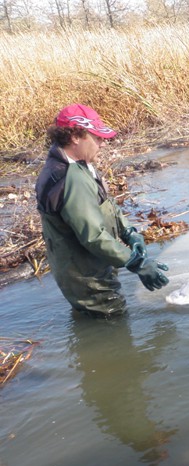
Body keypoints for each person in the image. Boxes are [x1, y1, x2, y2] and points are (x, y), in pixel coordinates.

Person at [35, 104, 169, 318]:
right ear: (75, 137)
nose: (103, 143)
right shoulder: (71, 177)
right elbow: (93, 236)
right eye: (96, 137)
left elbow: (106, 203)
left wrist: (129, 232)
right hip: (87, 278)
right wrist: (138, 263)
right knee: (110, 325)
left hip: (92, 267)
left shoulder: (77, 163)